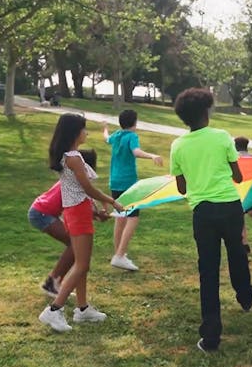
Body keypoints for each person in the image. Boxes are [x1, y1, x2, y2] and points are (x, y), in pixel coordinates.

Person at [170, 88, 252, 353]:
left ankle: (211, 336)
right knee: (237, 253)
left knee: (208, 271)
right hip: (230, 207)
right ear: (207, 111)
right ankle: (245, 294)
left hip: (203, 214)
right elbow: (238, 176)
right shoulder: (222, 137)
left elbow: (182, 188)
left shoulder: (178, 145)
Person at [39, 114, 123, 333]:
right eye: (84, 129)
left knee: (81, 261)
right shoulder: (74, 158)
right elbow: (88, 189)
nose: (87, 133)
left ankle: (83, 309)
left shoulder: (69, 156)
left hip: (78, 211)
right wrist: (111, 201)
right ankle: (54, 310)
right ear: (74, 133)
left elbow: (79, 192)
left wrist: (97, 210)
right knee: (82, 265)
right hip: (77, 214)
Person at [28, 149, 107, 298]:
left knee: (75, 244)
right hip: (41, 213)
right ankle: (53, 282)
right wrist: (100, 212)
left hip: (41, 211)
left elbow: (85, 205)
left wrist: (97, 214)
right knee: (74, 244)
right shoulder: (77, 181)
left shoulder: (73, 179)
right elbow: (82, 204)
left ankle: (54, 281)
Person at [103, 110, 163, 271]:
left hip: (114, 182)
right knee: (133, 218)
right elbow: (135, 152)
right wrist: (152, 156)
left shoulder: (116, 135)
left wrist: (105, 128)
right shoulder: (131, 136)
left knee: (120, 217)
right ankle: (120, 255)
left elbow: (106, 138)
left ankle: (119, 254)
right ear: (134, 123)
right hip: (127, 182)